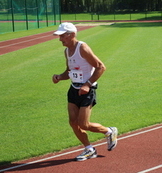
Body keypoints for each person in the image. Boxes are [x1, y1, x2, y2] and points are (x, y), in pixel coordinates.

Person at [52, 22, 118, 161]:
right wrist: (59, 77)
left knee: (84, 124)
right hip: (74, 89)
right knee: (73, 122)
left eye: (62, 36)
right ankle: (89, 149)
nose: (60, 39)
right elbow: (69, 71)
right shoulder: (66, 51)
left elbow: (101, 67)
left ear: (72, 35)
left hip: (87, 91)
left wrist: (87, 84)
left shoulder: (82, 48)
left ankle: (109, 131)